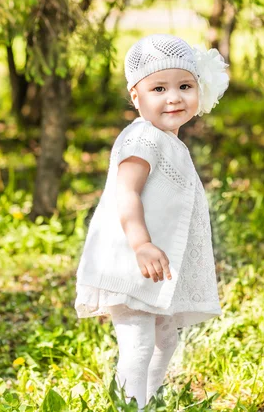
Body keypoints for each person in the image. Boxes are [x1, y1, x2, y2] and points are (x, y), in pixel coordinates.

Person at [74, 33, 230, 410]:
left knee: (166, 339)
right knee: (139, 343)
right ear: (136, 96)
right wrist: (141, 243)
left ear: (199, 91)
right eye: (158, 88)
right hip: (130, 260)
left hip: (151, 268)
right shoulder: (142, 138)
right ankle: (131, 404)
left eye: (184, 86)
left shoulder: (168, 141)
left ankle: (149, 399)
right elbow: (125, 193)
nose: (174, 97)